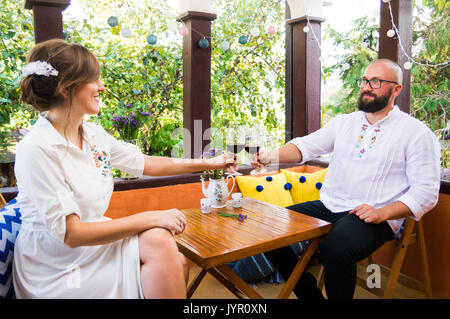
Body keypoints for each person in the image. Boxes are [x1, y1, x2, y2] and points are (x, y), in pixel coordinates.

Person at [13, 39, 236, 299]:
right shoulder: (38, 148)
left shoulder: (92, 134)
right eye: (94, 79)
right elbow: (72, 234)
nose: (102, 87)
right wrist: (151, 217)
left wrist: (208, 163)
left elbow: (145, 163)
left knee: (164, 248)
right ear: (65, 88)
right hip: (56, 264)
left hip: (92, 246)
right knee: (173, 258)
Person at [252, 58, 441, 299]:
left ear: (397, 89)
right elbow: (305, 147)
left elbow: (426, 192)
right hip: (329, 205)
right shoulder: (344, 123)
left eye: (376, 81)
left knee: (335, 248)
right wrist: (270, 156)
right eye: (364, 80)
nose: (366, 86)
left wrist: (382, 213)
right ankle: (311, 296)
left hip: (376, 216)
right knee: (270, 230)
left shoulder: (416, 133)